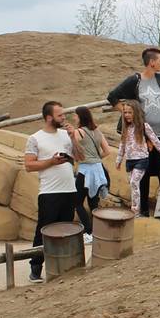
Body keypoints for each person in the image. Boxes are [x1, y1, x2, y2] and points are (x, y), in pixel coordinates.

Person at [106, 48, 160, 217]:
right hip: (142, 135)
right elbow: (112, 97)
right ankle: (144, 211)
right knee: (144, 174)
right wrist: (128, 112)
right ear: (151, 62)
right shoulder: (135, 81)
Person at [24, 101, 79, 282]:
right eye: (60, 115)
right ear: (49, 118)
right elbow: (29, 165)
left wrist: (73, 138)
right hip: (49, 192)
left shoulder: (65, 135)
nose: (64, 118)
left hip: (69, 189)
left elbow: (80, 157)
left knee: (66, 229)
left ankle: (63, 266)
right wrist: (50, 162)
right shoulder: (35, 138)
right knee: (44, 229)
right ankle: (36, 267)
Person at [115, 99, 160, 216]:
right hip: (129, 161)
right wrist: (118, 159)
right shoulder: (126, 128)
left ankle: (136, 211)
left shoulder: (144, 126)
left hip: (141, 160)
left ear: (136, 113)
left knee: (134, 182)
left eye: (130, 112)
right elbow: (122, 145)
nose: (127, 115)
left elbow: (154, 139)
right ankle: (136, 209)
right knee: (133, 185)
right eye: (125, 112)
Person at [72, 106, 112, 241]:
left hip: (85, 170)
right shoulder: (97, 131)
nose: (74, 118)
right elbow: (107, 151)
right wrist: (95, 158)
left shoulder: (79, 132)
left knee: (77, 202)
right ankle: (97, 232)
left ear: (80, 117)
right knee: (93, 204)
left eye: (75, 115)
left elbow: (74, 150)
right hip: (98, 170)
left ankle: (88, 232)